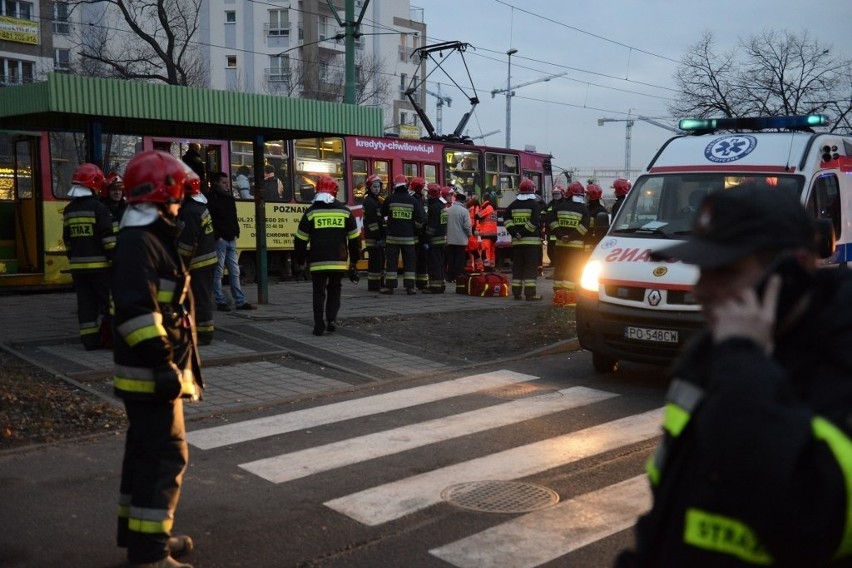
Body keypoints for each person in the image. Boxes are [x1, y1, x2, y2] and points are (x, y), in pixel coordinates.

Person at [618, 186, 852, 567]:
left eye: (724, 271)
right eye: (701, 270)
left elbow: (814, 522)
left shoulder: (837, 363)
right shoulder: (712, 355)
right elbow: (670, 506)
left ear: (793, 271)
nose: (701, 291)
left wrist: (744, 362)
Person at [111, 150, 203, 568]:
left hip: (151, 373)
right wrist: (165, 366)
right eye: (179, 192)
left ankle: (145, 541)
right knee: (164, 458)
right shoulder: (141, 241)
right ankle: (149, 555)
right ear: (164, 192)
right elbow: (137, 314)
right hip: (152, 374)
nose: (181, 201)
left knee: (146, 456)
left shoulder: (145, 236)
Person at [293, 175, 361, 336]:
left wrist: (300, 261)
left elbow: (300, 240)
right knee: (335, 289)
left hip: (317, 262)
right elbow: (354, 239)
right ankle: (331, 319)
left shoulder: (311, 213)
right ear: (335, 191)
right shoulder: (344, 212)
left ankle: (318, 326)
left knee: (318, 292)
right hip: (338, 261)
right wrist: (354, 262)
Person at [63, 162, 115, 350]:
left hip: (78, 268)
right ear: (94, 183)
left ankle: (90, 342)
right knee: (111, 303)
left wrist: (74, 259)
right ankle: (114, 340)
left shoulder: (69, 210)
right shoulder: (99, 208)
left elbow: (67, 241)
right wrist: (114, 260)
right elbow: (108, 240)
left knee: (85, 305)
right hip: (100, 268)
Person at [177, 169, 218, 345]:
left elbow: (187, 244)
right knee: (202, 298)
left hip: (198, 263)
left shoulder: (190, 211)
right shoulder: (200, 207)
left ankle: (204, 335)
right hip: (206, 260)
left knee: (200, 300)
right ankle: (200, 331)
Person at [207, 172, 256, 311]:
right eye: (224, 183)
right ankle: (221, 301)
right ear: (216, 183)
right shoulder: (212, 199)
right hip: (221, 240)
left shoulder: (228, 198)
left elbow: (234, 216)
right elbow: (210, 220)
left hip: (229, 238)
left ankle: (240, 301)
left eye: (227, 183)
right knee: (219, 272)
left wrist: (236, 232)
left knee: (234, 272)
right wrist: (218, 236)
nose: (227, 185)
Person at [380, 174, 424, 295]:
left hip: (392, 238)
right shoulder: (413, 201)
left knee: (391, 263)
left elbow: (383, 216)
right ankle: (410, 287)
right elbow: (420, 220)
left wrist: (388, 227)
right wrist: (414, 229)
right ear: (406, 186)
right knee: (409, 262)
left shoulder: (389, 199)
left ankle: (390, 287)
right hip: (408, 239)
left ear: (395, 186)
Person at [548, 181, 589, 304]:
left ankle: (557, 293)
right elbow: (584, 227)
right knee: (572, 269)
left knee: (560, 267)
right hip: (576, 246)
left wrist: (561, 236)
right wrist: (571, 237)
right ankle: (568, 296)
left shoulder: (559, 207)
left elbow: (551, 222)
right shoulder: (583, 209)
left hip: (561, 245)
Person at [503, 178, 543, 300]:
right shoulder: (534, 205)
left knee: (518, 268)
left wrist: (515, 233)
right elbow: (534, 222)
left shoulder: (512, 205)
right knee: (530, 268)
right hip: (531, 244)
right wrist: (523, 232)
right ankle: (530, 294)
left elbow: (507, 220)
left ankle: (516, 293)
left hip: (517, 244)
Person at [421, 183, 448, 293]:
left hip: (434, 241)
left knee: (434, 264)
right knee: (440, 264)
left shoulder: (433, 207)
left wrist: (426, 240)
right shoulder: (442, 206)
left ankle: (435, 287)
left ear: (431, 194)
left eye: (427, 193)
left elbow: (431, 227)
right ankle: (441, 285)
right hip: (442, 239)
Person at [362, 174, 386, 292]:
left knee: (380, 261)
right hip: (373, 237)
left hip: (377, 236)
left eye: (378, 186)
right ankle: (374, 285)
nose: (377, 189)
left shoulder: (377, 201)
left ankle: (380, 283)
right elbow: (372, 222)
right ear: (369, 187)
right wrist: (378, 238)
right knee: (375, 262)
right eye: (374, 186)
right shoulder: (370, 202)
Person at [445, 189, 471, 283]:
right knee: (459, 259)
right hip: (461, 239)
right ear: (463, 201)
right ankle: (458, 277)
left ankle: (449, 277)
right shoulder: (464, 211)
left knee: (451, 259)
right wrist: (469, 234)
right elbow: (467, 226)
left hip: (450, 239)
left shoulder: (448, 210)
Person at [476, 191, 499, 271]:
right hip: (493, 233)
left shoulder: (487, 207)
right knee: (492, 251)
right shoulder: (493, 207)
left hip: (486, 233)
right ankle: (492, 266)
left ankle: (487, 267)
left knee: (486, 251)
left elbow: (478, 216)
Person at [585, 182, 609, 248]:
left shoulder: (600, 211)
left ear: (592, 195)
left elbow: (601, 231)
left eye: (587, 194)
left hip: (594, 243)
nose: (586, 196)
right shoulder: (586, 208)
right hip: (586, 240)